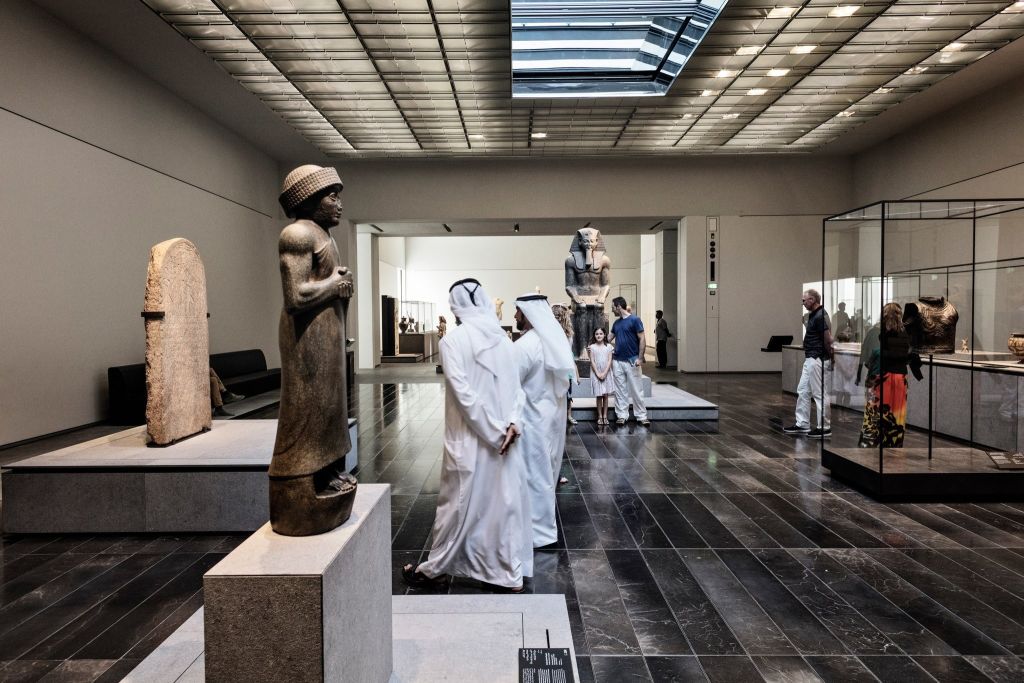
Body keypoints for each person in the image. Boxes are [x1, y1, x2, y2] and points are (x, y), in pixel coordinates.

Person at [404, 278, 531, 592]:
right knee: (500, 508)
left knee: (456, 507)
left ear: (456, 306)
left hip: (475, 438)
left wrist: (495, 432)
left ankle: (435, 569)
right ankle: (506, 573)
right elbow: (518, 391)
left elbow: (464, 396)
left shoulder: (452, 342)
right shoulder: (503, 340)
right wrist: (511, 425)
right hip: (505, 440)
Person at [270, 164, 357, 536]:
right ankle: (302, 477)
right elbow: (295, 296)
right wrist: (335, 285)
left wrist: (339, 287)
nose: (339, 204)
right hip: (306, 339)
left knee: (330, 406)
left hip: (327, 333)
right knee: (309, 408)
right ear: (309, 200)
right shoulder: (297, 234)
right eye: (331, 196)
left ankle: (328, 470)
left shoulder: (323, 234)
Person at [514, 293, 575, 548]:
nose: (515, 316)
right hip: (553, 418)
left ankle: (539, 534)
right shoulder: (553, 339)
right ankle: (543, 530)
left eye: (518, 311)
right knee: (547, 473)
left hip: (532, 420)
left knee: (534, 476)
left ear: (527, 314)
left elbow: (510, 384)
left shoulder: (525, 345)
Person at [858, 302, 919, 447]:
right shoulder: (906, 333)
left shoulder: (881, 332)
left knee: (874, 409)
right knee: (897, 411)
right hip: (900, 377)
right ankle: (893, 442)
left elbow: (875, 355)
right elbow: (908, 355)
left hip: (882, 375)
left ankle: (870, 441)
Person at [784, 289, 833, 438]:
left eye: (804, 300)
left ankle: (824, 427)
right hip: (811, 357)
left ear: (812, 300)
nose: (803, 303)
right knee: (803, 390)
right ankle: (802, 423)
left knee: (819, 393)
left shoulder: (820, 315)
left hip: (817, 358)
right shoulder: (813, 315)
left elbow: (827, 339)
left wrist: (830, 357)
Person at [609, 296, 649, 426]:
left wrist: (640, 358)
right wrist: (594, 342)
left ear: (618, 306)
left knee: (637, 390)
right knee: (620, 390)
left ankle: (641, 416)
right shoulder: (616, 323)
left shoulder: (635, 320)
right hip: (617, 361)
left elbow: (642, 339)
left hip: (632, 360)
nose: (612, 310)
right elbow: (608, 338)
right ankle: (622, 415)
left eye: (613, 307)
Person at [588, 327, 614, 425]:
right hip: (596, 373)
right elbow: (592, 361)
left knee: (605, 395)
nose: (599, 335)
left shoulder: (609, 347)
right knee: (599, 395)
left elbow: (609, 360)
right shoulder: (592, 347)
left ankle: (605, 416)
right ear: (594, 336)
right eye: (597, 334)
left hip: (606, 372)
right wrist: (598, 373)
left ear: (604, 335)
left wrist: (604, 373)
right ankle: (599, 416)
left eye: (601, 334)